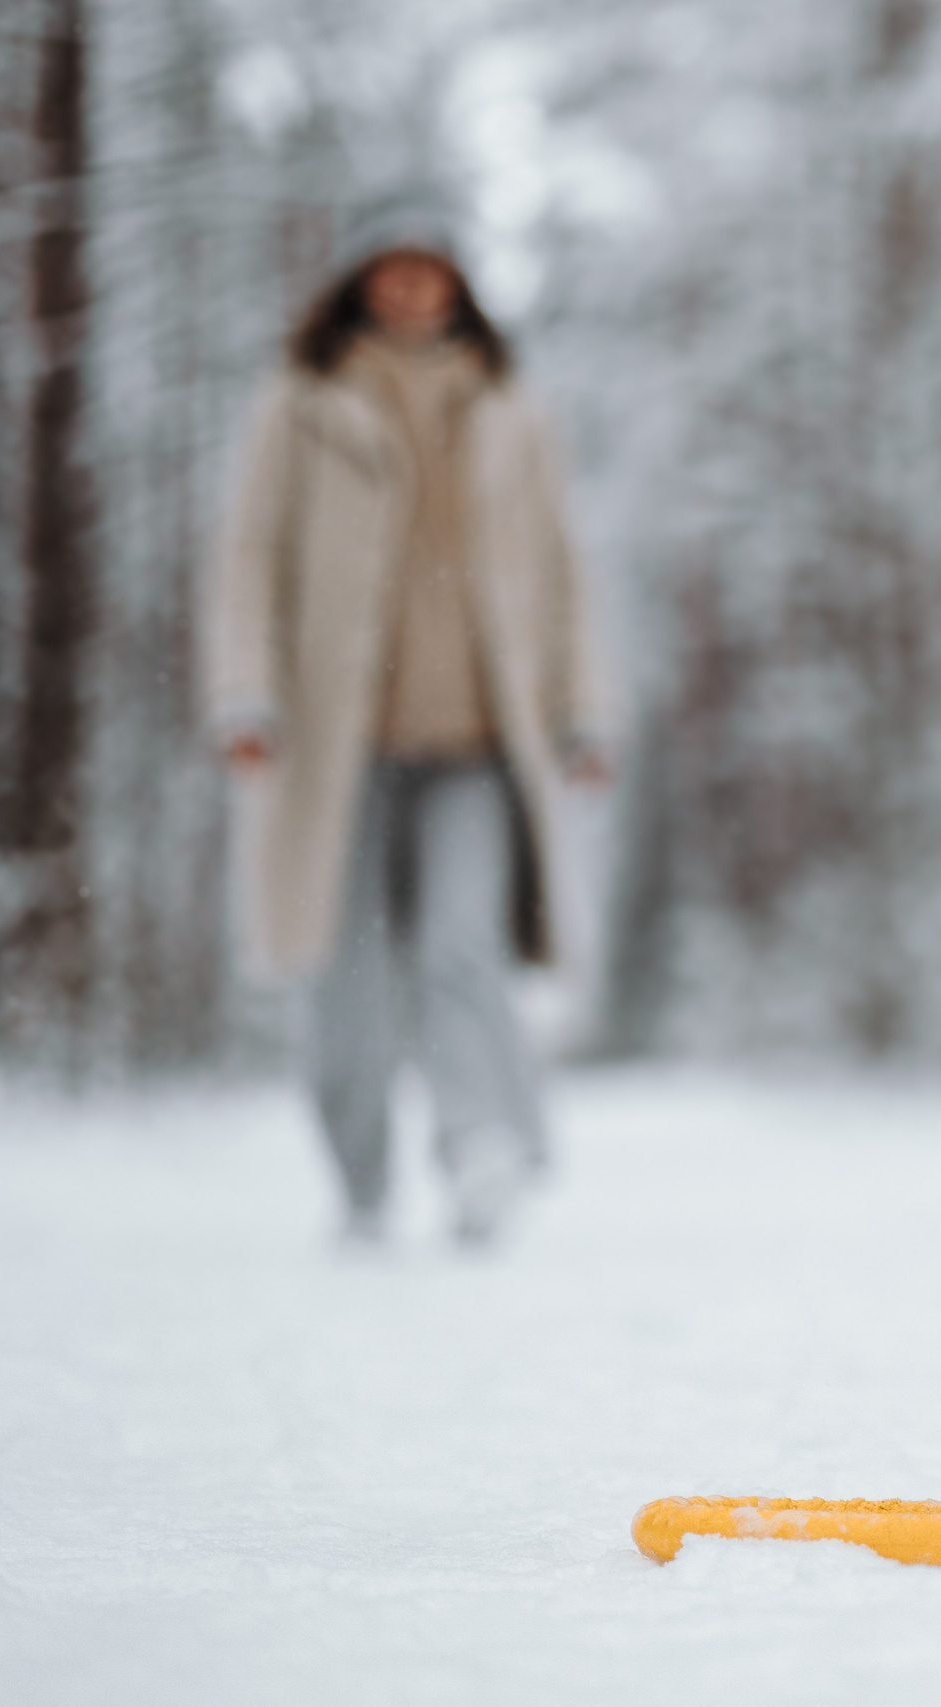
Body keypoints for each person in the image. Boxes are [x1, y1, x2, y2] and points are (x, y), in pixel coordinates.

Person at [205, 191, 609, 1248]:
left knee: (462, 948)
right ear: (357, 281)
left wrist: (582, 714)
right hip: (339, 737)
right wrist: (243, 692)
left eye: (431, 268)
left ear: (460, 284)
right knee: (343, 964)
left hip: (478, 736)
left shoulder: (510, 406)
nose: (411, 287)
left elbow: (560, 569)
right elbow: (249, 556)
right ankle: (361, 1178)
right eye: (390, 267)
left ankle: (482, 1152)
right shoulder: (303, 400)